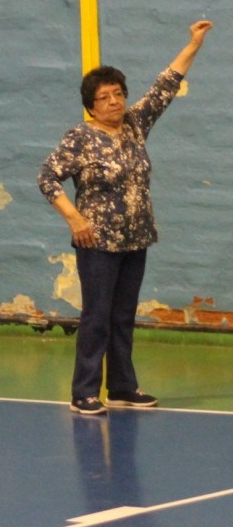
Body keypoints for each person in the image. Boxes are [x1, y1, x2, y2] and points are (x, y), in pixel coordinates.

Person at [38, 20, 213, 417]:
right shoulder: (80, 138)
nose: (114, 101)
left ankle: (121, 387)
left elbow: (166, 85)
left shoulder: (135, 126)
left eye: (118, 93)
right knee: (96, 317)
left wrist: (194, 43)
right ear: (91, 106)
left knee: (122, 317)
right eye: (104, 97)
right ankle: (84, 391)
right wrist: (74, 219)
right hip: (98, 243)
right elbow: (47, 177)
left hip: (136, 238)